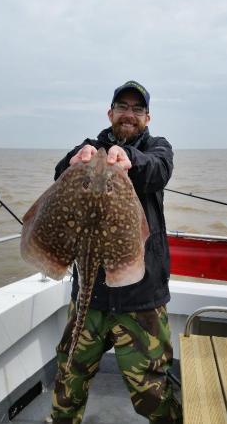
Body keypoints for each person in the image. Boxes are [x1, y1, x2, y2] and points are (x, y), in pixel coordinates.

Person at [50, 80, 182, 424]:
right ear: (110, 113)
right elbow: (60, 174)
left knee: (153, 393)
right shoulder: (91, 146)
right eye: (122, 107)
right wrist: (74, 161)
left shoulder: (157, 148)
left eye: (137, 109)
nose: (129, 114)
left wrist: (130, 160)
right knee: (68, 382)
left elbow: (158, 170)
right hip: (90, 297)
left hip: (141, 299)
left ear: (148, 118)